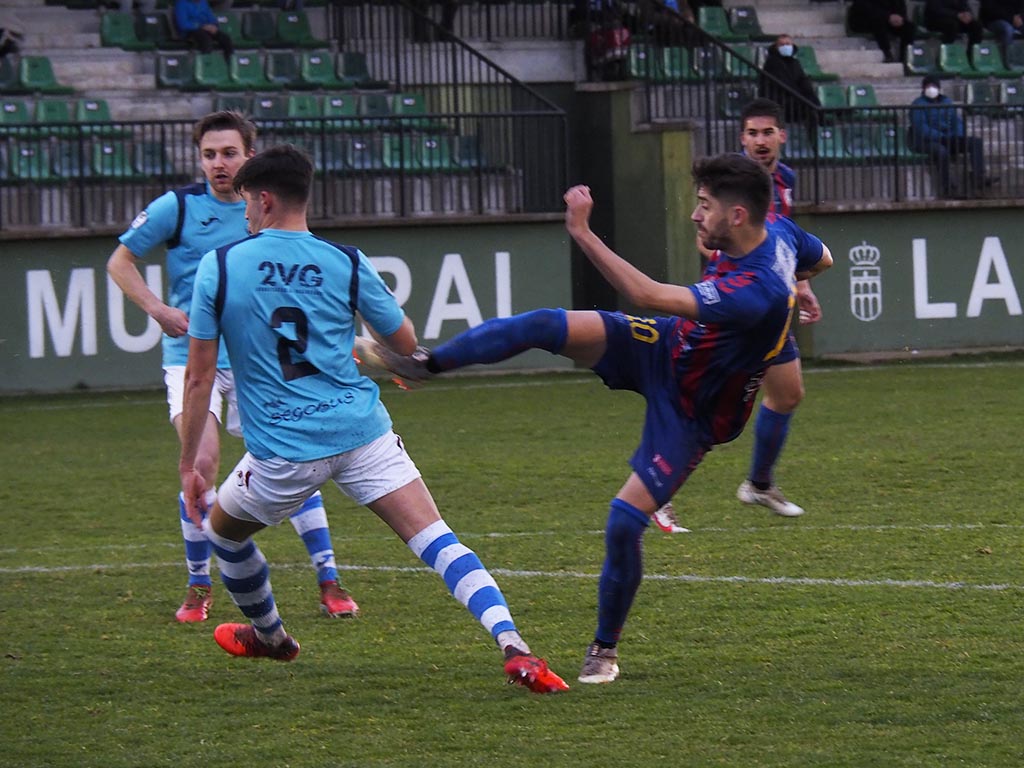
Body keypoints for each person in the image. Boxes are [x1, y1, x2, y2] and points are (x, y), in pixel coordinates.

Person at [355, 153, 834, 684]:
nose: (696, 216)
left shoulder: (758, 289)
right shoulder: (783, 235)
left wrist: (582, 232)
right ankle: (426, 364)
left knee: (624, 522)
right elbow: (824, 258)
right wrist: (804, 284)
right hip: (664, 348)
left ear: (738, 215)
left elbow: (646, 294)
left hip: (694, 410)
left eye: (704, 206)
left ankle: (603, 650)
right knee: (544, 324)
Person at [177, 145, 567, 693]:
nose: (243, 212)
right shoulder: (347, 261)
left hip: (285, 452)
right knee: (437, 540)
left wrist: (191, 463)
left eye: (245, 201)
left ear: (263, 199)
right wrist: (366, 342)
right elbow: (405, 343)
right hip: (362, 432)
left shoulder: (220, 266)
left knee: (224, 535)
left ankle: (270, 636)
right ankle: (515, 646)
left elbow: (198, 380)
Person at [107, 112, 359, 624]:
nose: (218, 164)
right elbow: (119, 262)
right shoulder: (177, 208)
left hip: (257, 360)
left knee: (295, 458)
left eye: (228, 153)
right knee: (201, 465)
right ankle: (199, 585)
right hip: (191, 358)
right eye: (208, 154)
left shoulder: (269, 211)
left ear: (251, 155)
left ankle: (328, 578)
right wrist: (157, 309)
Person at [653, 98, 820, 535]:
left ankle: (760, 484)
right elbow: (706, 243)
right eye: (752, 133)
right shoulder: (730, 182)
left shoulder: (783, 181)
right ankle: (656, 494)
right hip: (737, 306)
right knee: (709, 404)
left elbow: (788, 244)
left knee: (787, 393)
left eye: (768, 132)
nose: (760, 141)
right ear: (742, 138)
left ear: (782, 136)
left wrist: (800, 285)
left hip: (772, 305)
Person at [908, 75, 994, 198]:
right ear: (923, 88)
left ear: (938, 88)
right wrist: (940, 136)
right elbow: (921, 128)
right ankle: (948, 188)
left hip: (948, 138)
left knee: (975, 142)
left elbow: (957, 122)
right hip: (926, 141)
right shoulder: (918, 104)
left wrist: (957, 136)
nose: (931, 88)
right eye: (928, 86)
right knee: (941, 152)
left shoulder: (947, 102)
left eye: (934, 86)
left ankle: (978, 177)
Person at [759, 34, 822, 132]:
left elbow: (803, 82)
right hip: (780, 103)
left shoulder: (795, 63)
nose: (785, 47)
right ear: (776, 47)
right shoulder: (772, 63)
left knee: (813, 104)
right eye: (782, 44)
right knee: (810, 111)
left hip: (795, 101)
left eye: (788, 44)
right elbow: (782, 86)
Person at [847, 0, 918, 63]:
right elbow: (864, 7)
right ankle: (887, 54)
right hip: (864, 20)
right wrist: (888, 17)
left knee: (909, 27)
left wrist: (900, 18)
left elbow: (900, 7)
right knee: (878, 22)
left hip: (888, 20)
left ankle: (905, 58)